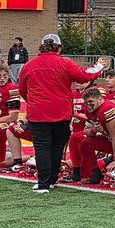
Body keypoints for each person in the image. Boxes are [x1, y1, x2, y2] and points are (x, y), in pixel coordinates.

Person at [17, 34, 106, 193]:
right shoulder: (64, 63)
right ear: (59, 47)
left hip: (37, 113)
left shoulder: (29, 65)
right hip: (61, 113)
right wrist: (99, 65)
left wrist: (33, 101)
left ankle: (43, 183)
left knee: (42, 148)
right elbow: (84, 76)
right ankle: (51, 179)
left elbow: (23, 89)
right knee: (57, 147)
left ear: (41, 47)